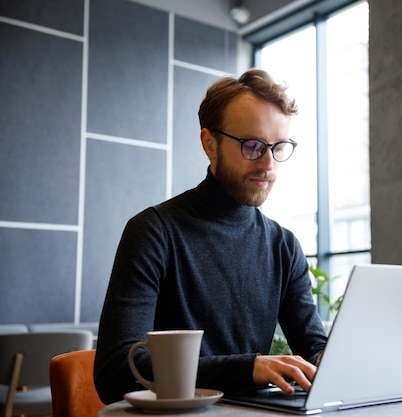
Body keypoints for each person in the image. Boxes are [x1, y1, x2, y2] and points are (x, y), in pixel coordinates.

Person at [94, 69, 327, 404]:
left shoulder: (283, 246)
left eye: (279, 147)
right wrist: (248, 368)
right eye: (252, 145)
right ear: (209, 143)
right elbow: (115, 373)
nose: (268, 164)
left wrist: (332, 362)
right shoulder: (153, 232)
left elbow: (313, 347)